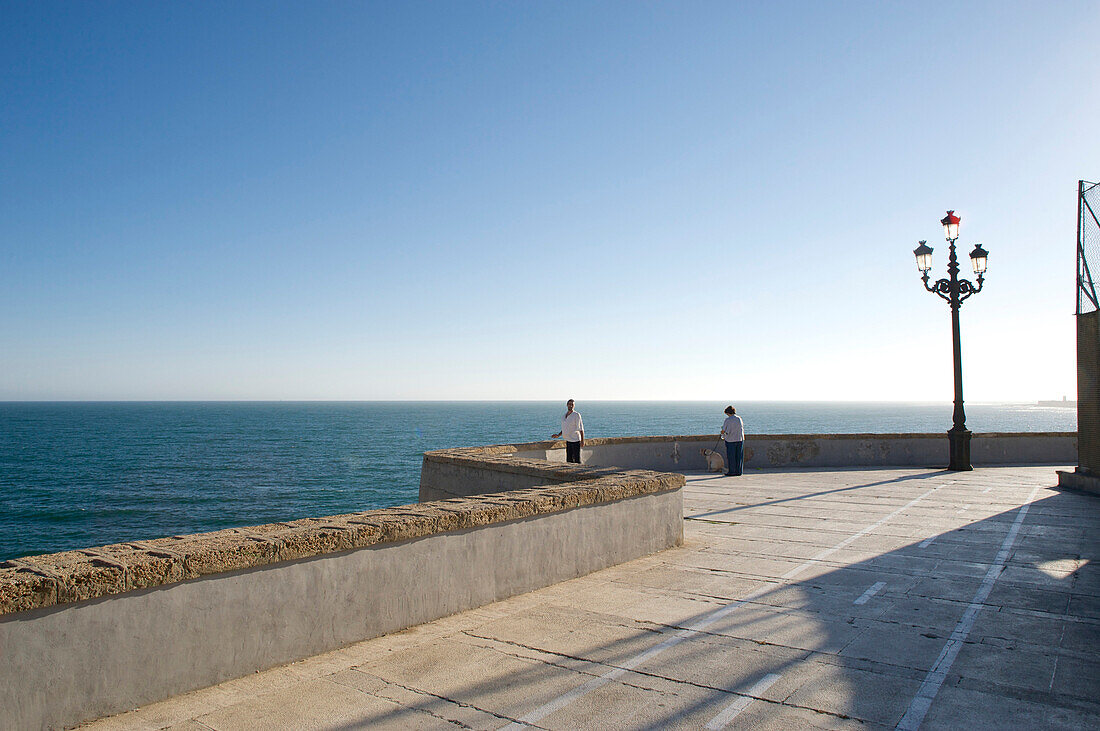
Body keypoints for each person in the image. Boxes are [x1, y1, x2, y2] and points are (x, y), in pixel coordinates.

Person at [551, 399, 585, 464]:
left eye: (572, 404)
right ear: (567, 405)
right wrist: (558, 435)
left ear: (574, 406)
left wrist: (582, 441)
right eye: (569, 404)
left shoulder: (576, 415)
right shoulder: (564, 416)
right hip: (568, 441)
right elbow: (564, 429)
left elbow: (581, 428)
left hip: (575, 441)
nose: (571, 406)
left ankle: (578, 473)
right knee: (569, 460)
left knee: (577, 460)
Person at [720, 405, 744, 476]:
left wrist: (722, 433)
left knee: (731, 457)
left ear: (728, 413)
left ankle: (732, 471)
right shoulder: (739, 418)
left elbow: (724, 430)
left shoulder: (728, 420)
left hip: (730, 440)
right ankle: (739, 471)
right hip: (739, 439)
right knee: (739, 456)